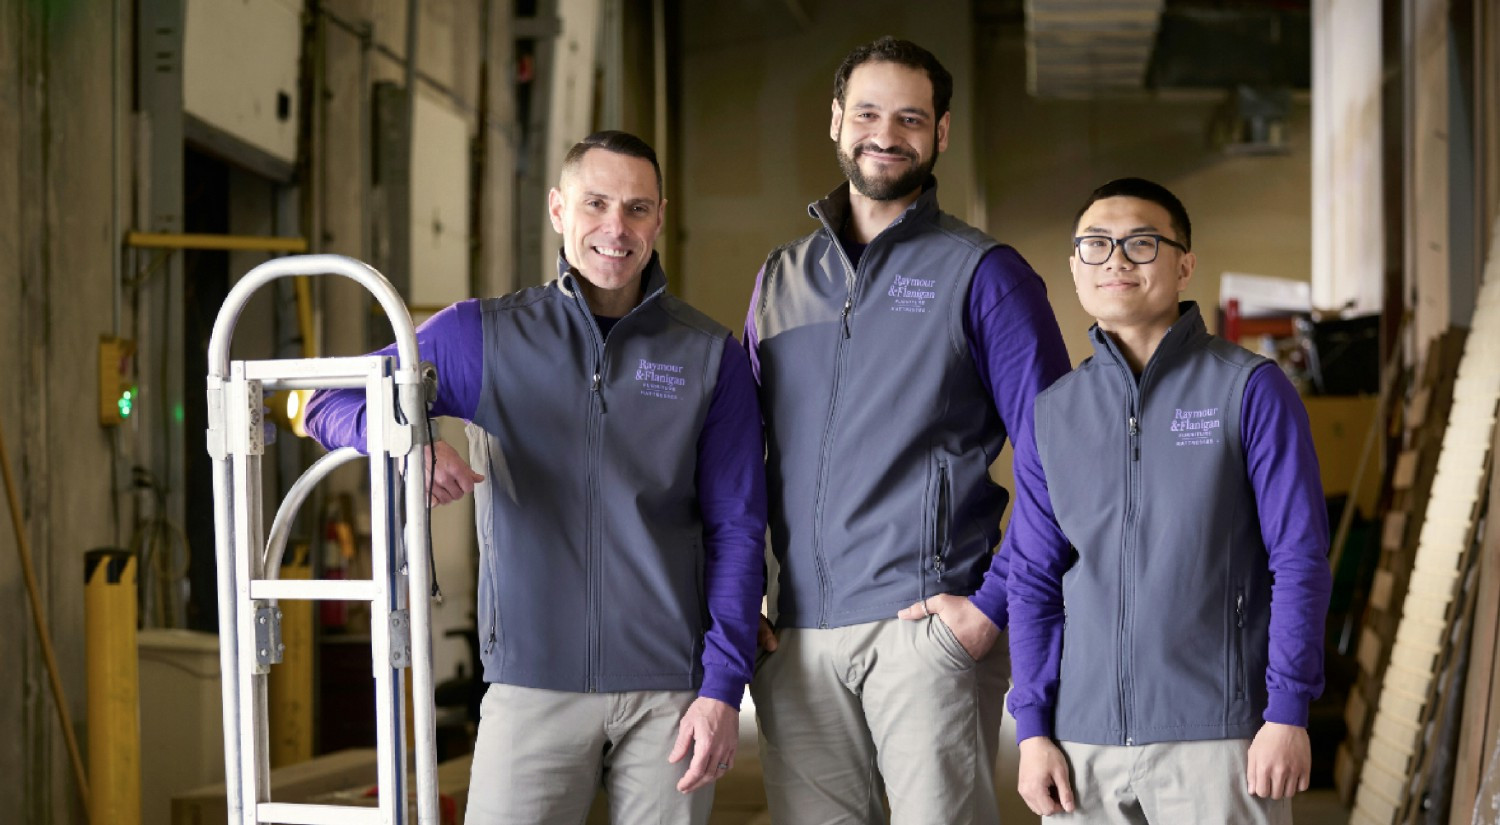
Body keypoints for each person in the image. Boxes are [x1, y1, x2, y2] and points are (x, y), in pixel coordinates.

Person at [304, 130, 767, 825]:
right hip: (530, 685)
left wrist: (723, 686)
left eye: (638, 208)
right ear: (558, 209)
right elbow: (327, 399)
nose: (617, 228)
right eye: (596, 203)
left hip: (668, 695)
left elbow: (738, 527)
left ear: (660, 217)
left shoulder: (709, 356)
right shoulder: (483, 336)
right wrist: (407, 442)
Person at [744, 36, 1072, 824]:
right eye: (866, 112)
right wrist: (736, 601)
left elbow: (1063, 458)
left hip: (926, 633)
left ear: (941, 132)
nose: (885, 133)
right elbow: (736, 460)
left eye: (910, 117)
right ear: (835, 121)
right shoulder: (781, 279)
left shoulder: (986, 274)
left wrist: (990, 604)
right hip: (799, 639)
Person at [1007, 177, 1333, 823]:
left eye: (1141, 242)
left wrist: (1287, 710)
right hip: (1083, 741)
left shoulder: (1250, 390)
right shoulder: (1054, 413)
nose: (1117, 260)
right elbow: (1034, 580)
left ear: (1184, 263)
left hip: (1218, 735)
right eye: (1096, 244)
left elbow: (1299, 558)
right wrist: (1033, 729)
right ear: (1074, 266)